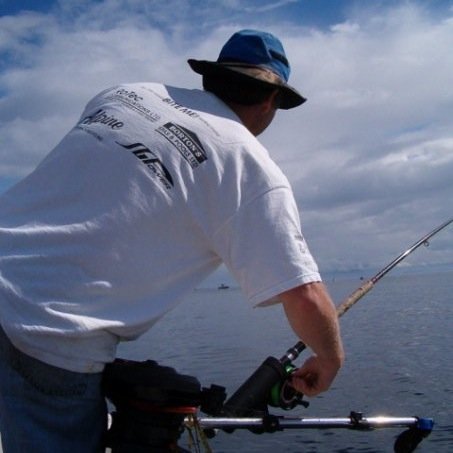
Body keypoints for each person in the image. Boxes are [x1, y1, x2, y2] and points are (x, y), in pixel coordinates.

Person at [0, 29, 344, 452]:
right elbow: (304, 295)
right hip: (47, 334)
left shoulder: (125, 94)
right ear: (271, 101)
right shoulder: (249, 168)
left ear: (212, 79)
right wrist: (329, 360)